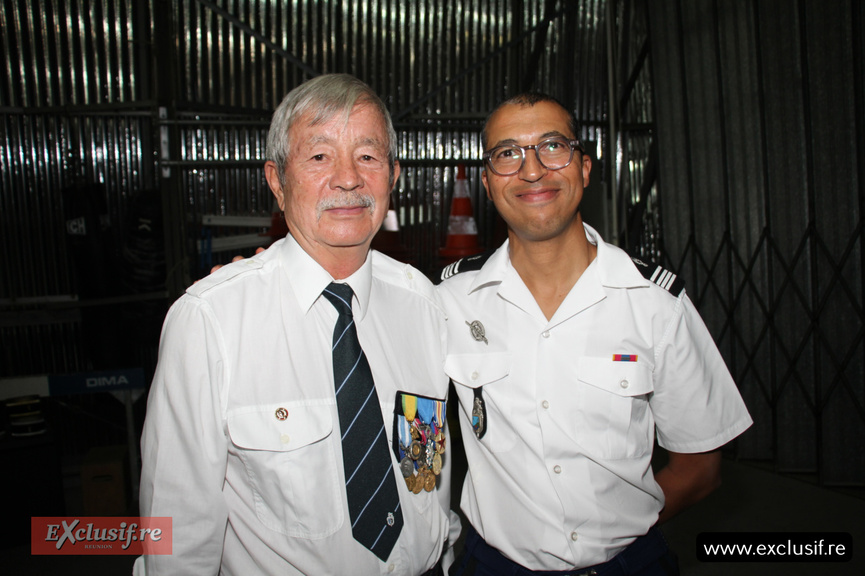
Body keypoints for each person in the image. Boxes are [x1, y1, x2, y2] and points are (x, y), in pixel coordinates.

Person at [135, 74, 455, 575]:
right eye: (319, 156)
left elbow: (431, 475)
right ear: (277, 181)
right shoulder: (211, 322)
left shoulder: (424, 304)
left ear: (394, 175)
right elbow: (176, 533)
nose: (348, 178)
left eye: (368, 156)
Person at [437, 93, 753, 576]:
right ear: (487, 181)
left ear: (584, 168)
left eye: (552, 146)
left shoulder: (654, 303)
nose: (533, 169)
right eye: (507, 153)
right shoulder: (449, 300)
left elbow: (700, 468)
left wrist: (620, 534)